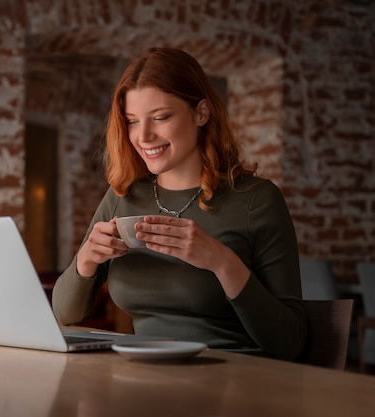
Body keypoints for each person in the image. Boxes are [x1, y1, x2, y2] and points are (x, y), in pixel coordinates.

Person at [52, 48, 307, 360]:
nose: (143, 136)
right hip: (146, 376)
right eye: (132, 121)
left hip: (237, 377)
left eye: (160, 117)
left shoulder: (257, 199)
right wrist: (86, 261)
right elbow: (64, 313)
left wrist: (221, 263)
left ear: (201, 113)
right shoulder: (124, 196)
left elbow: (291, 342)